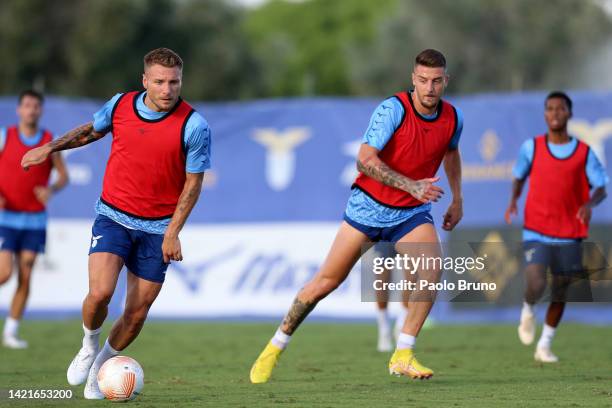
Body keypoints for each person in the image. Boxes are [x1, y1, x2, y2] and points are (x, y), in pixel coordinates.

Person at [250, 49, 463, 383]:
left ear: (445, 81)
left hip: (409, 213)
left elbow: (451, 152)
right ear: (413, 79)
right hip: (368, 208)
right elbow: (364, 161)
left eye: (436, 81)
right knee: (325, 283)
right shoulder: (393, 109)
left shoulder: (453, 118)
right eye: (423, 80)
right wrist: (412, 185)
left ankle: (403, 353)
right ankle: (274, 347)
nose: (429, 88)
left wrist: (457, 198)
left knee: (432, 270)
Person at [21, 48, 211, 398]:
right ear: (145, 81)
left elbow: (193, 183)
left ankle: (101, 367)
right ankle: (89, 344)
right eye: (159, 82)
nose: (167, 89)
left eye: (174, 82)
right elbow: (89, 132)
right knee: (100, 293)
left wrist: (173, 232)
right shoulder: (121, 105)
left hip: (158, 229)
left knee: (136, 314)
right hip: (114, 215)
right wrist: (48, 150)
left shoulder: (194, 125)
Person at [505, 91, 608, 362]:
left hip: (570, 232)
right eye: (550, 109)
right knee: (537, 283)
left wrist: (588, 203)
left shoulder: (584, 152)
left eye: (560, 109)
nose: (555, 114)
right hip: (536, 228)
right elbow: (518, 176)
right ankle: (528, 309)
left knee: (561, 289)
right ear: (544, 114)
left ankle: (545, 345)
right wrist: (514, 200)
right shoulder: (533, 147)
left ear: (569, 114)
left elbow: (601, 186)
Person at [0, 90, 68, 349]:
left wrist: (51, 190)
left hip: (35, 220)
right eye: (27, 105)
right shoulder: (5, 136)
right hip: (7, 217)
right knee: (4, 273)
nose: (31, 110)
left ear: (41, 110)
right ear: (19, 110)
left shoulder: (49, 142)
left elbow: (63, 176)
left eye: (36, 106)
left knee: (26, 274)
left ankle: (11, 332)